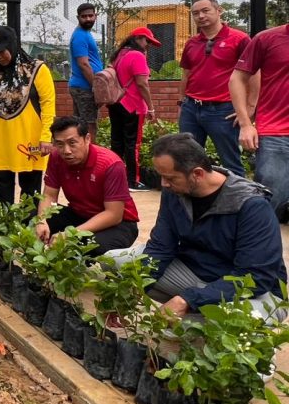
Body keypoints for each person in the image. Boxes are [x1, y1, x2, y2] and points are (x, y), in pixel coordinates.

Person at [107, 133, 287, 320]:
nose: (163, 184)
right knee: (115, 262)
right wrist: (127, 294)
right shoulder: (175, 192)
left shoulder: (251, 205)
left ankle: (198, 315)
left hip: (255, 292)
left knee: (220, 324)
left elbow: (256, 276)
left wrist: (188, 299)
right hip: (197, 274)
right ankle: (196, 311)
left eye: (170, 178)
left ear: (197, 174)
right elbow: (160, 248)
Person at [0, 26, 55, 204]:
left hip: (29, 138)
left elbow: (48, 105)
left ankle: (29, 229)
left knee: (30, 191)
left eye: (1, 51)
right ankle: (4, 229)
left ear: (12, 45)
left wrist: (46, 136)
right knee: (1, 189)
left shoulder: (37, 69)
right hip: (1, 138)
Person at [36, 116, 139, 255]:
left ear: (87, 139)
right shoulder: (56, 157)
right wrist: (41, 221)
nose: (66, 151)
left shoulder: (110, 164)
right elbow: (49, 194)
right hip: (80, 214)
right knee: (31, 212)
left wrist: (70, 234)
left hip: (118, 224)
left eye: (72, 143)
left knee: (89, 245)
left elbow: (114, 214)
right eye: (59, 144)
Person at [178, 0, 250, 177]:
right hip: (191, 108)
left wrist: (250, 107)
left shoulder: (240, 39)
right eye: (195, 13)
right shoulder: (191, 43)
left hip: (223, 110)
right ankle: (195, 203)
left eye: (205, 10)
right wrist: (181, 103)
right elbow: (186, 74)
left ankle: (238, 203)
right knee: (187, 160)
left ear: (219, 11)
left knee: (230, 162)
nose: (200, 16)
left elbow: (254, 74)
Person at [230, 21, 289, 221]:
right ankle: (256, 250)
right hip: (277, 135)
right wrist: (246, 124)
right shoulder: (266, 39)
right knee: (266, 205)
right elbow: (237, 78)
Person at [107, 27, 160, 191]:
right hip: (132, 106)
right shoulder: (137, 55)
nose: (148, 45)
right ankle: (132, 182)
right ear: (138, 38)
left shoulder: (119, 54)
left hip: (116, 103)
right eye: (147, 41)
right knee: (132, 144)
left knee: (117, 142)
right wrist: (151, 108)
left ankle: (115, 178)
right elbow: (142, 84)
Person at [68, 3, 103, 141]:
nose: (88, 19)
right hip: (85, 87)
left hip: (82, 87)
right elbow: (83, 64)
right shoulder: (80, 36)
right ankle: (91, 159)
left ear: (96, 16)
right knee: (90, 126)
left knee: (80, 125)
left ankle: (81, 158)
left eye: (90, 15)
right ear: (78, 17)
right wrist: (95, 87)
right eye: (84, 16)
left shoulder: (85, 34)